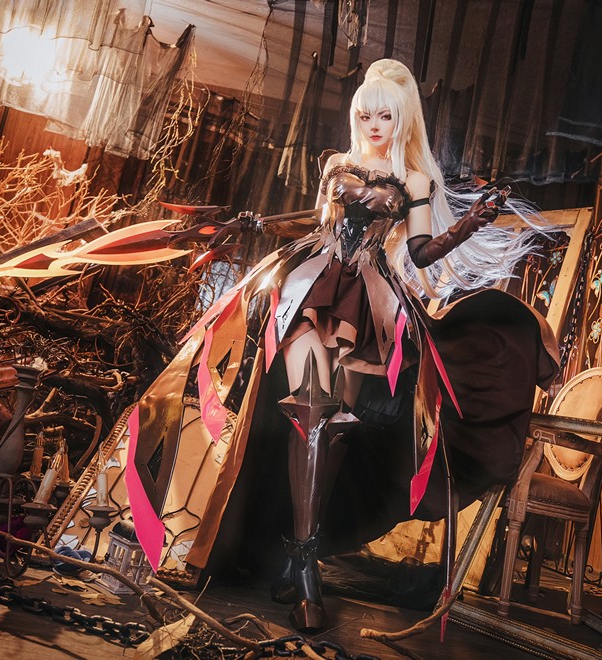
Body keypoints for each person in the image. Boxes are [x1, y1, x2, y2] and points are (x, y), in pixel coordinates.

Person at [123, 58, 559, 632]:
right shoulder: (336, 164)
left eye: (385, 115)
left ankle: (298, 553)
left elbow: (422, 252)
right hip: (311, 288)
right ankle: (305, 570)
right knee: (310, 408)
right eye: (365, 115)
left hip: (371, 301)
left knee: (336, 430)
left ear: (402, 118)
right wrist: (257, 225)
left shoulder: (416, 181)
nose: (373, 125)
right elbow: (318, 223)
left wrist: (469, 224)